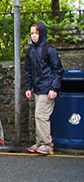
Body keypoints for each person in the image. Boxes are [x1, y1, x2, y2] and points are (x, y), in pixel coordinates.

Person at [25, 22, 64, 156]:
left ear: (42, 34)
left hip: (46, 88)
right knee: (39, 116)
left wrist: (54, 88)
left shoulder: (49, 50)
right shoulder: (30, 51)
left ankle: (46, 144)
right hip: (37, 88)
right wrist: (28, 87)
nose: (34, 36)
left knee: (41, 115)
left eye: (36, 33)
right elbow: (28, 71)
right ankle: (40, 143)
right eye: (32, 33)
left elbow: (58, 70)